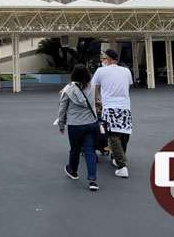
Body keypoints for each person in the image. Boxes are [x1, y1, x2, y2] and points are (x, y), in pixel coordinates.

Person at [92, 48, 133, 178]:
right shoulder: (126, 71)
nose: (102, 61)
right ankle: (117, 159)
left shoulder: (100, 71)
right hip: (125, 107)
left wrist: (96, 100)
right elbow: (128, 86)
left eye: (103, 59)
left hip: (109, 107)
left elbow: (95, 88)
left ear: (108, 60)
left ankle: (122, 166)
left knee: (113, 135)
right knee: (124, 134)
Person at [57, 64, 99, 191]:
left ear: (73, 74)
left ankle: (73, 171)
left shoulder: (68, 89)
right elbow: (96, 100)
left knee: (74, 149)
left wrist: (61, 124)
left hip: (75, 125)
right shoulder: (92, 86)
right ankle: (92, 180)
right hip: (91, 123)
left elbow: (62, 108)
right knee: (90, 151)